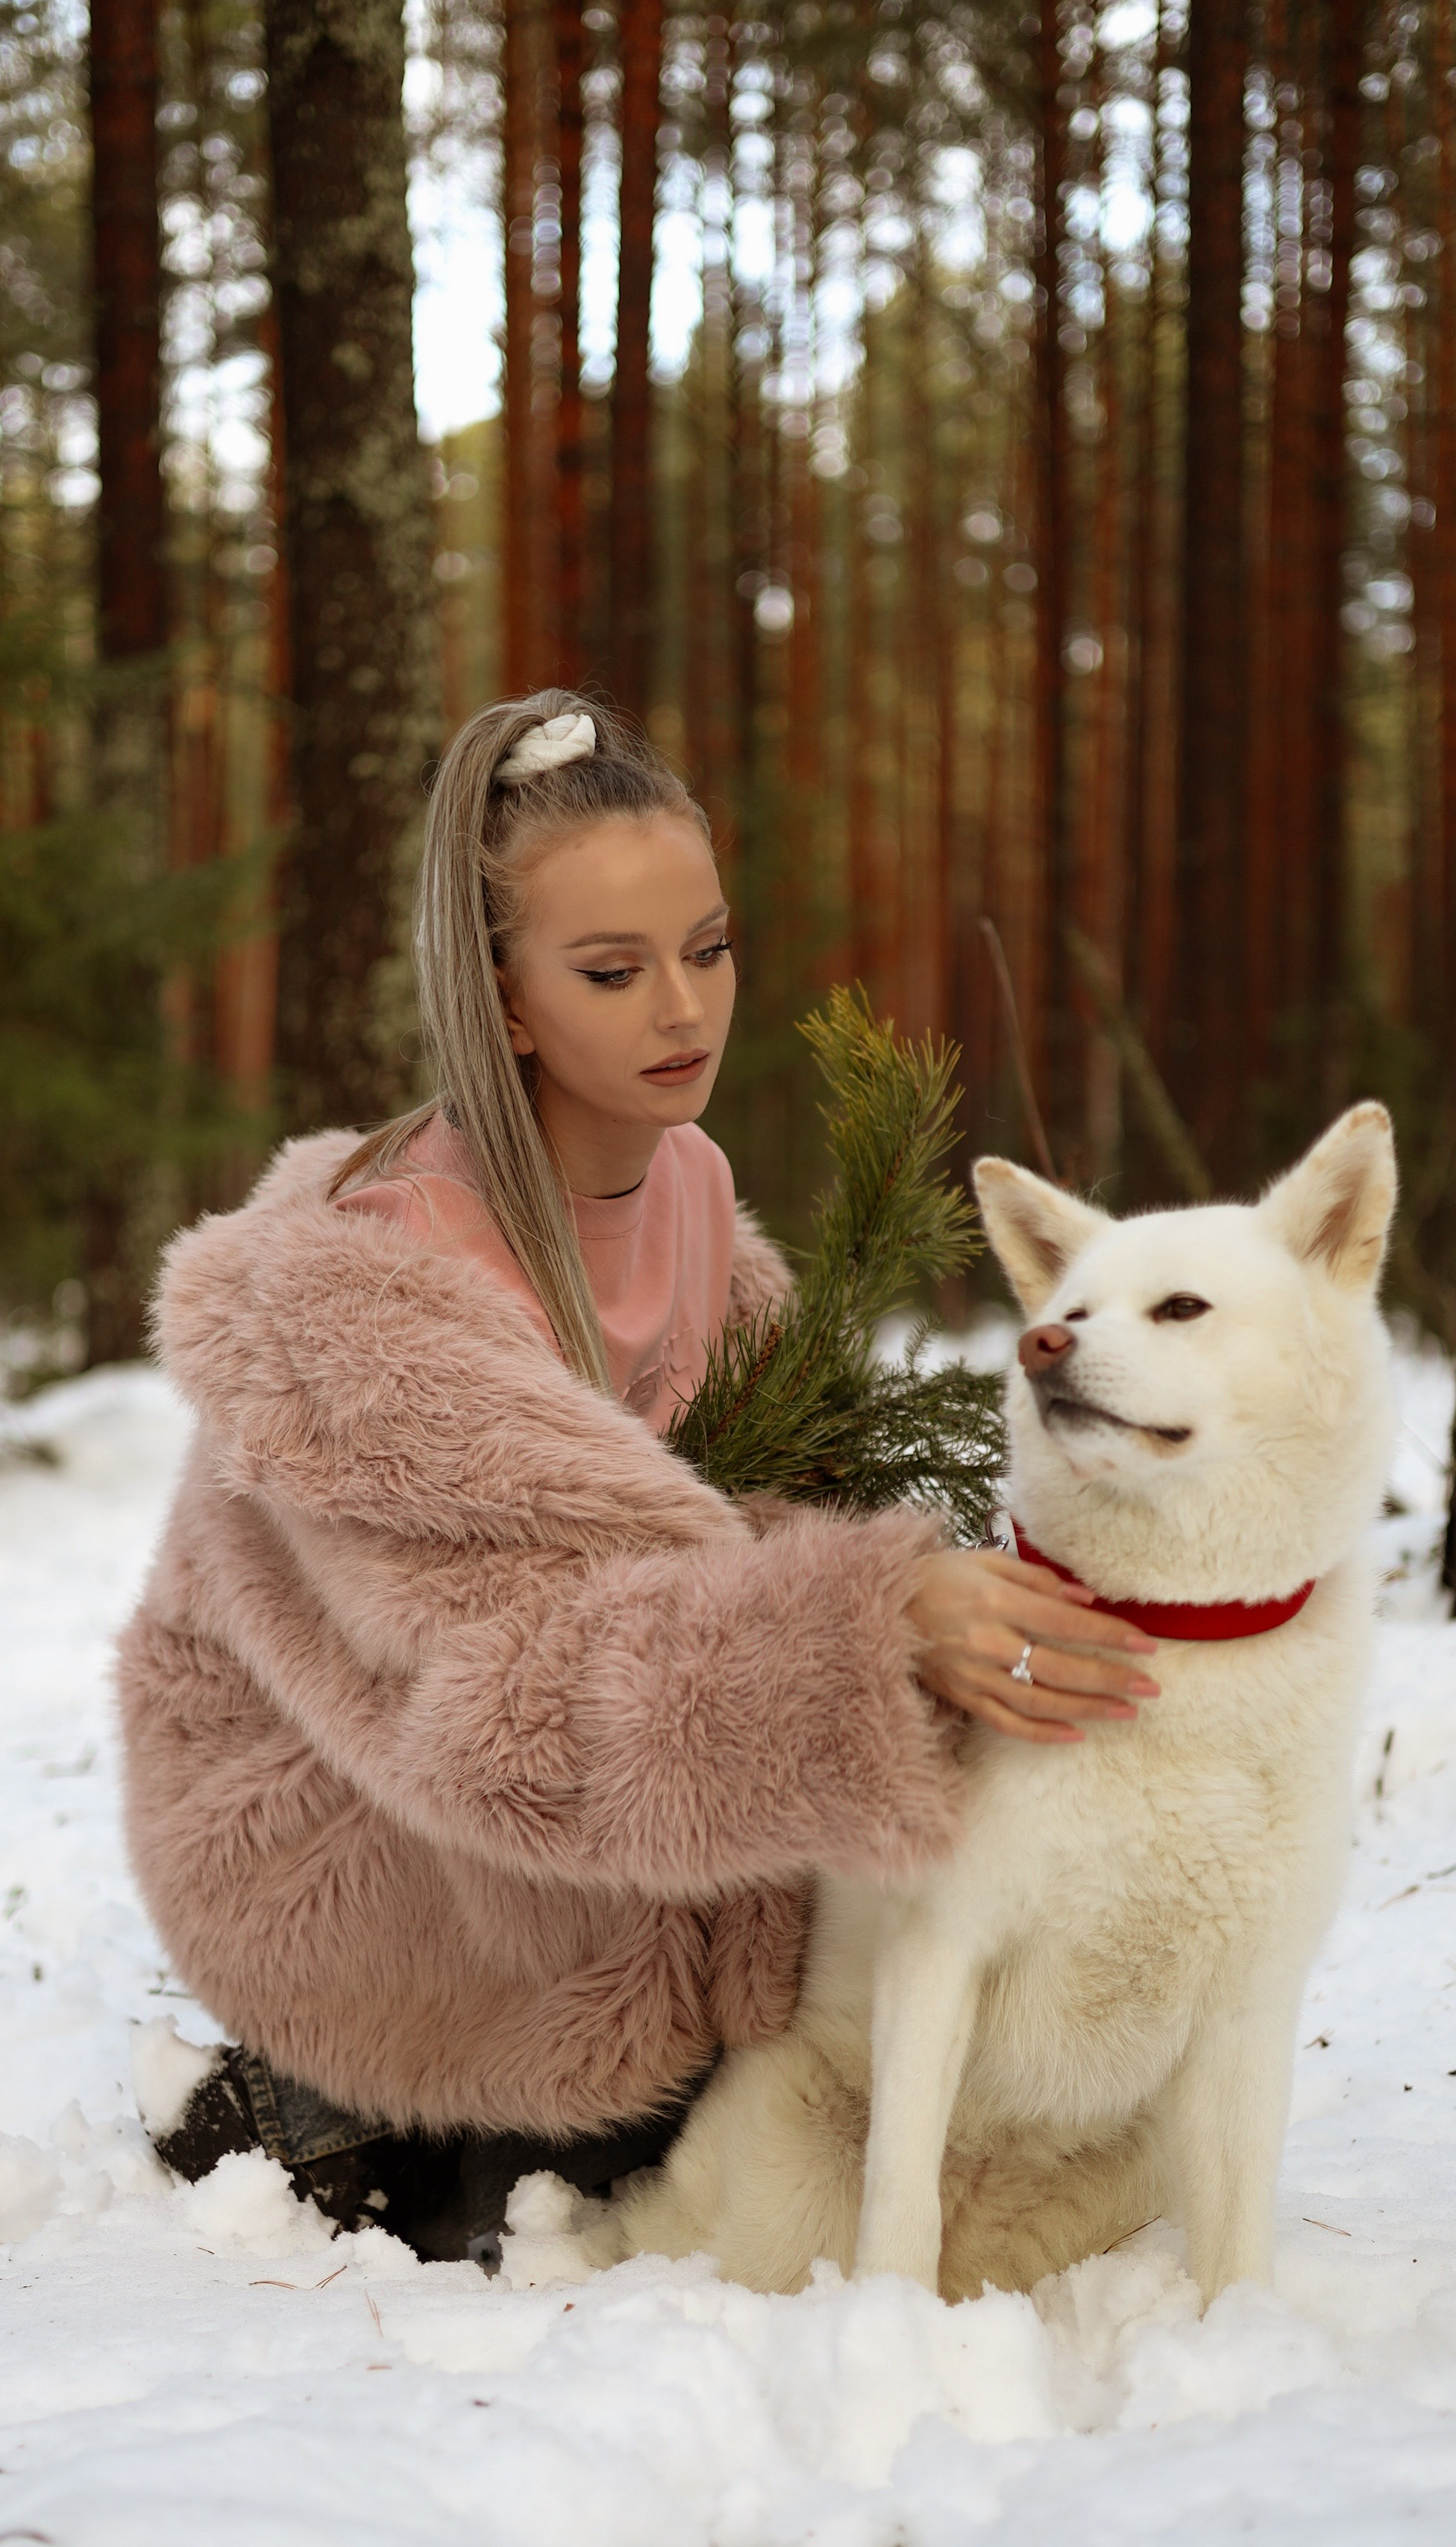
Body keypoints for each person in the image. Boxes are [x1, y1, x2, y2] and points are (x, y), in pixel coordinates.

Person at [116, 690, 1158, 2263]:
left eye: (710, 948)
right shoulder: (370, 1283)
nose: (685, 1009)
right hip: (336, 1831)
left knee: (873, 2005)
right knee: (639, 2114)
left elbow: (747, 1521)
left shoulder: (687, 1184)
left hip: (542, 1784)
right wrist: (868, 1632)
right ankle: (303, 2108)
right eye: (612, 970)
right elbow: (513, 1710)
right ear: (505, 999)